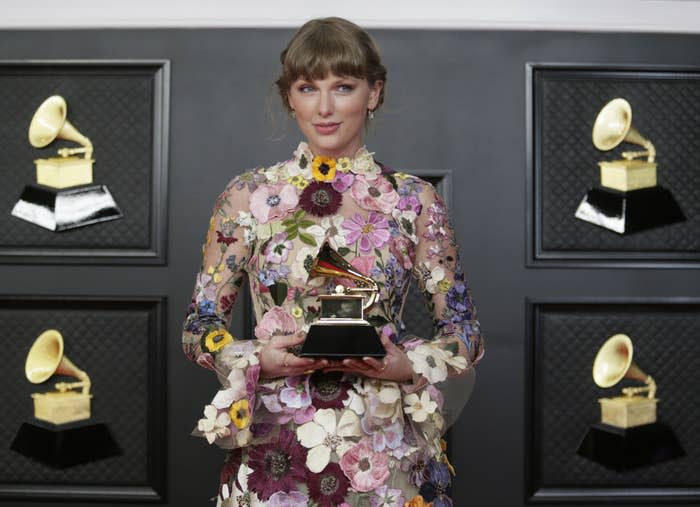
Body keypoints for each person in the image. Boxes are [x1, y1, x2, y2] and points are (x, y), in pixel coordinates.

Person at [182, 17, 484, 507]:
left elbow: (465, 333)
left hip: (386, 454)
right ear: (290, 97)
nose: (324, 107)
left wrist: (407, 366)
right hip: (273, 456)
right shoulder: (247, 197)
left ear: (373, 92)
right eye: (307, 87)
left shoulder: (414, 200)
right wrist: (259, 359)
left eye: (343, 87)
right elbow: (200, 326)